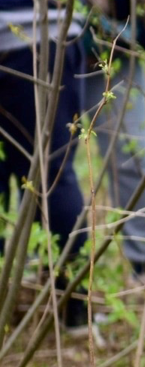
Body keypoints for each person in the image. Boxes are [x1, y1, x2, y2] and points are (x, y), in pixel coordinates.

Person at [0, 0, 89, 329]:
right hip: (47, 40)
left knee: (51, 176)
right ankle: (73, 308)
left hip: (44, 36)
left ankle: (69, 303)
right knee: (53, 174)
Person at [81, 0, 145, 280]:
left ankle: (143, 264)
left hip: (117, 56)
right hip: (46, 53)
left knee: (132, 155)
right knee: (46, 162)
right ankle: (47, 265)